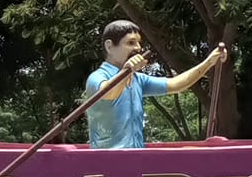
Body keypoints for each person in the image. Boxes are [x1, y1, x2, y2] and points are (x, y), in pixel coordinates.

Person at [84, 21, 227, 151]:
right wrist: (125, 73)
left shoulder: (138, 79)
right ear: (109, 46)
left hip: (136, 158)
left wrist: (209, 62)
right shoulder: (97, 78)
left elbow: (176, 84)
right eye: (130, 43)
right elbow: (108, 93)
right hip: (105, 160)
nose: (138, 48)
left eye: (138, 43)